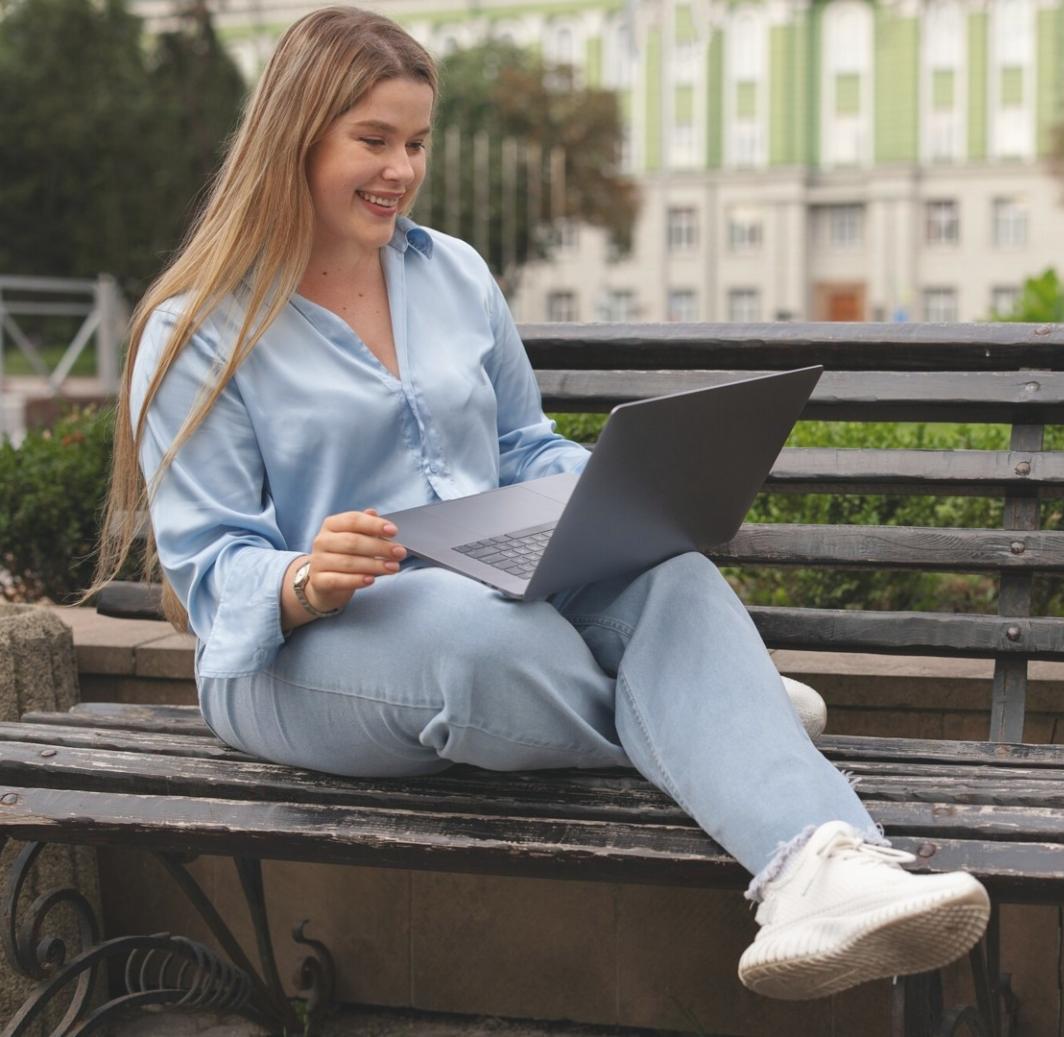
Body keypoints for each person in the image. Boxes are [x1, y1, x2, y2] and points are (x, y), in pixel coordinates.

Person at [88, 4, 988, 1000]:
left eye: (417, 142)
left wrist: (601, 490)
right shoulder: (198, 326)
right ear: (294, 138)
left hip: (492, 581)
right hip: (298, 652)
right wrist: (305, 574)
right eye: (373, 140)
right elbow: (211, 570)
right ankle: (720, 717)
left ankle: (822, 868)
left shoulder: (454, 274)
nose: (402, 169)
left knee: (673, 576)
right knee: (477, 642)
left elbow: (520, 446)